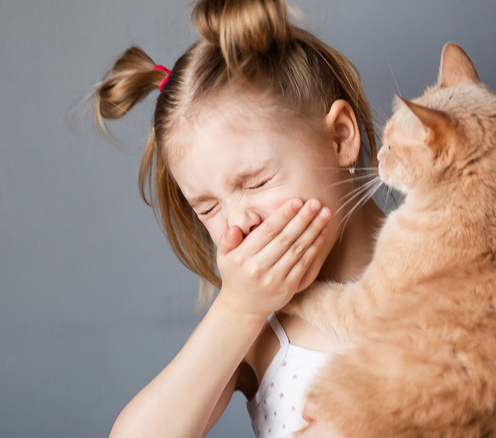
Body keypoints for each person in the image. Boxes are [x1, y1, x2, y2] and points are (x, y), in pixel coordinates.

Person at [94, 0, 384, 436]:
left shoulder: (457, 278)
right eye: (208, 208)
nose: (236, 225)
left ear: (341, 138)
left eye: (256, 182)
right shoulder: (260, 332)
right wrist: (237, 309)